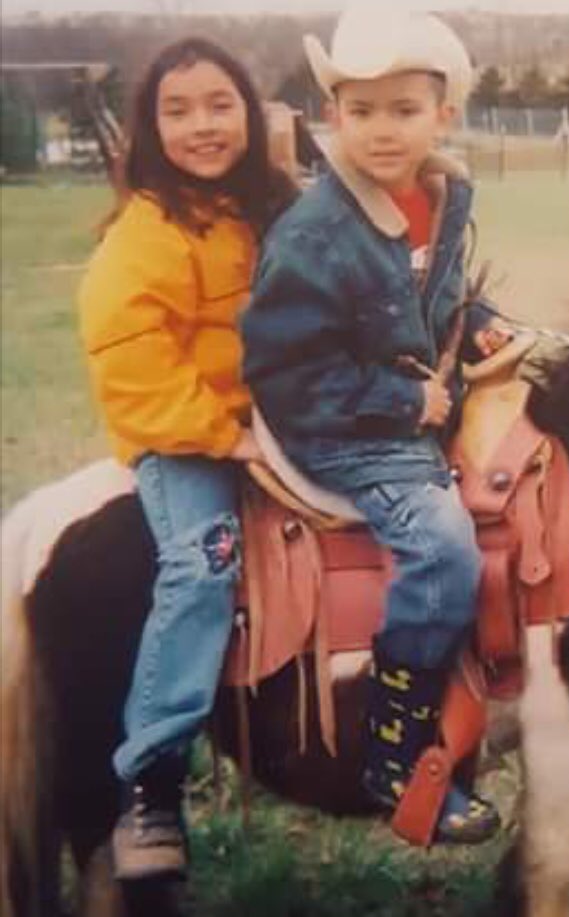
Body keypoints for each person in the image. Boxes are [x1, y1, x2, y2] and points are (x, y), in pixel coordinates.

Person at [241, 9, 507, 845]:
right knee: (443, 543)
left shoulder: (442, 195)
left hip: (406, 400)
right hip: (338, 427)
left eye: (403, 109)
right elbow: (285, 373)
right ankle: (392, 749)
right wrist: (407, 406)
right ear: (333, 118)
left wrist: (485, 322)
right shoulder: (315, 232)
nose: (382, 130)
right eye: (362, 111)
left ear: (444, 116)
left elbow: (441, 294)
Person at [78, 37, 295, 881]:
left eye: (218, 105)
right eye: (178, 110)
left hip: (276, 419)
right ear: (149, 126)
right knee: (203, 562)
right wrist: (225, 435)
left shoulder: (271, 207)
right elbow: (133, 358)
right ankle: (152, 776)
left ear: (248, 110)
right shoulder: (149, 228)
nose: (202, 125)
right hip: (184, 434)